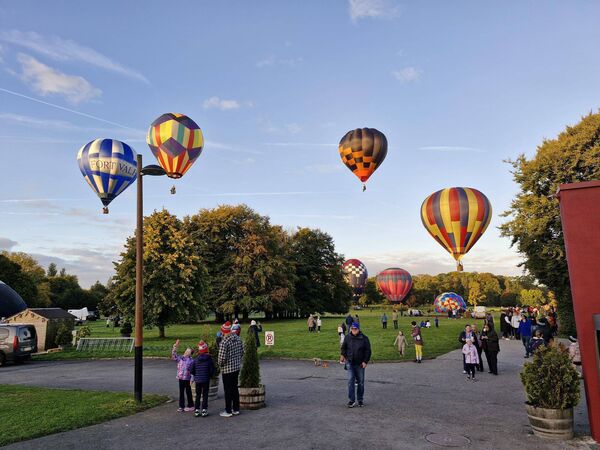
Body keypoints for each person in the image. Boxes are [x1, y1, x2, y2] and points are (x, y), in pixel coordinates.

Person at [340, 322, 371, 407]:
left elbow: (368, 351)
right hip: (350, 362)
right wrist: (345, 357)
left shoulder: (364, 339)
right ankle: (351, 400)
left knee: (360, 382)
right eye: (352, 329)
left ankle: (360, 400)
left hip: (360, 364)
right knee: (350, 381)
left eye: (355, 329)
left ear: (358, 329)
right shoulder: (347, 337)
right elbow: (343, 348)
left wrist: (365, 361)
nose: (353, 330)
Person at [217, 321, 244, 417]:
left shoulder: (224, 341)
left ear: (223, 331)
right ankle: (236, 409)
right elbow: (242, 352)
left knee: (227, 390)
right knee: (234, 388)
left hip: (227, 370)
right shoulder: (238, 338)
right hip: (236, 368)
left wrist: (220, 365)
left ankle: (228, 411)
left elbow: (221, 359)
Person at [190, 341, 216, 417]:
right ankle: (204, 410)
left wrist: (196, 375)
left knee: (198, 395)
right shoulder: (209, 359)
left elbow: (191, 370)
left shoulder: (196, 359)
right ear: (206, 349)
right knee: (205, 395)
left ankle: (197, 410)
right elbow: (212, 370)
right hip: (206, 380)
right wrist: (210, 375)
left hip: (198, 380)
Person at [172, 339, 194, 412]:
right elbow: (174, 357)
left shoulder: (191, 361)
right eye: (186, 350)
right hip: (181, 378)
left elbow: (193, 372)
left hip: (187, 379)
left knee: (188, 392)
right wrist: (175, 347)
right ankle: (181, 406)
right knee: (181, 392)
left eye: (188, 351)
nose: (186, 352)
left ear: (190, 354)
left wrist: (191, 380)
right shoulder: (181, 358)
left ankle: (191, 405)